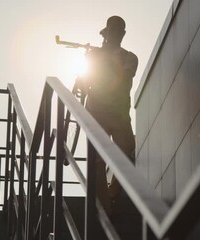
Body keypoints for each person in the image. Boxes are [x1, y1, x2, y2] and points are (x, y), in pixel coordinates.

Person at [79, 16, 138, 216]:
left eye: (118, 32)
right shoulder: (96, 56)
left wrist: (103, 57)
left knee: (127, 154)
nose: (114, 35)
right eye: (111, 32)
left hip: (120, 115)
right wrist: (90, 60)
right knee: (96, 162)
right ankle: (105, 210)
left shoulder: (130, 57)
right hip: (96, 113)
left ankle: (112, 193)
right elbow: (86, 83)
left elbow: (122, 77)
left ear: (123, 34)